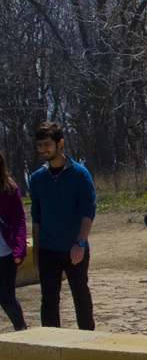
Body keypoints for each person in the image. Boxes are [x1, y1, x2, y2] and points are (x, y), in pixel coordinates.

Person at [29, 122, 96, 329]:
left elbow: (88, 210)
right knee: (48, 300)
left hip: (74, 248)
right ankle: (52, 344)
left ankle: (88, 341)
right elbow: (36, 216)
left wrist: (80, 242)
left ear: (60, 143)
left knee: (81, 296)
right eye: (39, 145)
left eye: (46, 144)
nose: (42, 150)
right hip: (48, 250)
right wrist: (36, 252)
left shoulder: (80, 174)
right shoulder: (36, 178)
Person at [0, 149, 27, 331]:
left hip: (5, 254)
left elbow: (19, 220)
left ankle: (21, 328)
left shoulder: (9, 187)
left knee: (7, 299)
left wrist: (19, 247)